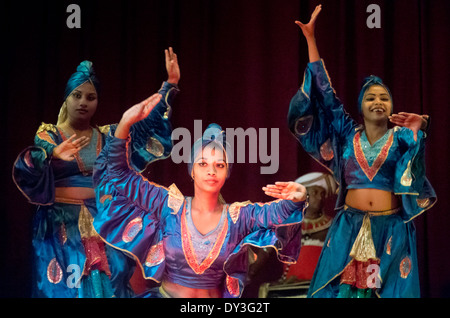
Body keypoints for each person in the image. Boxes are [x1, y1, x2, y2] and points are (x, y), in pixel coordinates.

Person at [288, 5, 436, 298]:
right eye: (371, 97)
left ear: (392, 106)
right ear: (360, 105)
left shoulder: (402, 137)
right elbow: (325, 93)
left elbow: (416, 165)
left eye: (384, 97)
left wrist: (421, 127)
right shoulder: (346, 132)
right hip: (349, 229)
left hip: (390, 231)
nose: (378, 101)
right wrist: (311, 39)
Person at [92, 102, 308, 297]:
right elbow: (119, 175)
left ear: (226, 173)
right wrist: (125, 123)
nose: (211, 171)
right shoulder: (168, 205)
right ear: (192, 170)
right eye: (203, 163)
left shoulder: (239, 217)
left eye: (219, 165)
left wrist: (298, 198)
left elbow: (277, 213)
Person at [12, 48, 180, 297]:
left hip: (101, 221)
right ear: (66, 99)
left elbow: (144, 121)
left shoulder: (107, 135)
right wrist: (55, 153)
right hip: (60, 225)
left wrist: (169, 85)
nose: (83, 102)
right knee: (68, 289)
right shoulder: (49, 133)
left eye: (90, 97)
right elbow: (31, 163)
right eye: (77, 96)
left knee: (108, 286)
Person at [257, 172, 336, 298]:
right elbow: (263, 254)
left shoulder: (333, 226)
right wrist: (247, 272)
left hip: (320, 289)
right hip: (291, 288)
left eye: (322, 194)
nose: (320, 198)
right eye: (315, 193)